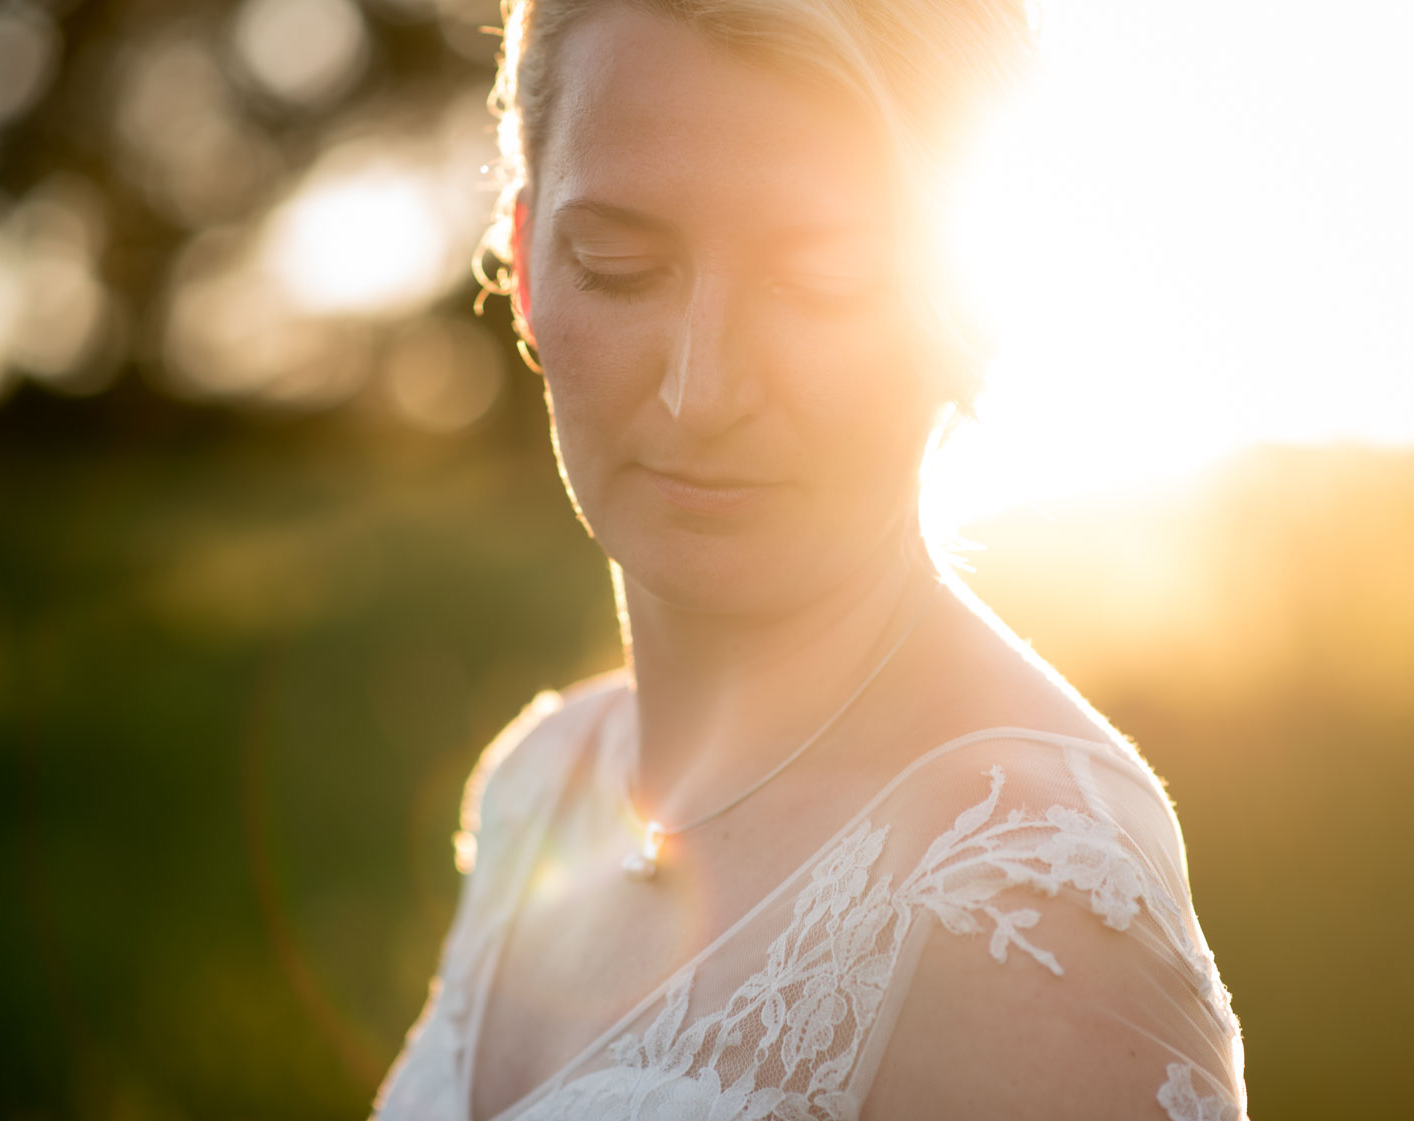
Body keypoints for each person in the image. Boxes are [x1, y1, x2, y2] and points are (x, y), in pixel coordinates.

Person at [374, 1, 1247, 1118]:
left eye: (821, 280)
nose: (704, 390)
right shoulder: (541, 787)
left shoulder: (1026, 905)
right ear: (528, 268)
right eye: (621, 265)